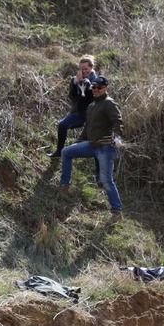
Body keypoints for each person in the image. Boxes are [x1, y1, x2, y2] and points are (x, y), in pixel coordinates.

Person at [59, 75, 123, 214]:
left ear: (105, 88)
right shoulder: (92, 106)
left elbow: (117, 121)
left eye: (99, 87)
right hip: (91, 145)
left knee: (106, 180)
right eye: (93, 87)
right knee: (66, 152)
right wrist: (78, 142)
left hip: (106, 148)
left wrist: (117, 137)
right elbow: (88, 127)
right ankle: (64, 186)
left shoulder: (109, 103)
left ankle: (117, 210)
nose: (95, 89)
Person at [49, 55, 98, 158]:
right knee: (62, 125)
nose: (84, 71)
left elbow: (91, 98)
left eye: (86, 69)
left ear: (91, 68)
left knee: (82, 144)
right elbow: (72, 97)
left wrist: (85, 84)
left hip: (91, 116)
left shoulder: (96, 81)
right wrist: (75, 84)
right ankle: (59, 152)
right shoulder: (76, 79)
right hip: (79, 113)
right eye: (81, 69)